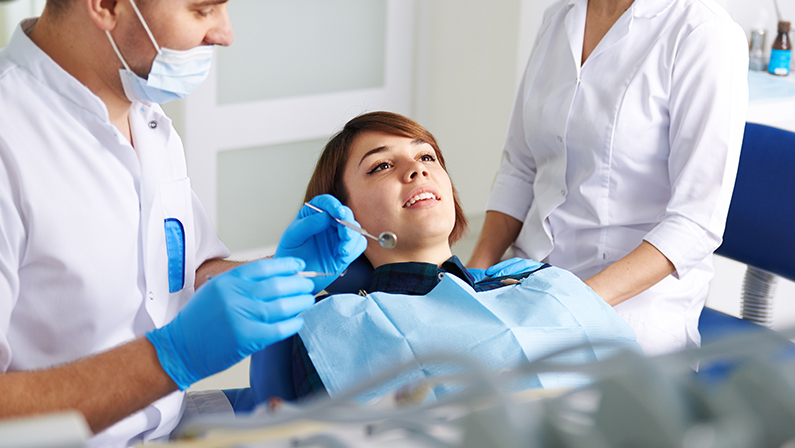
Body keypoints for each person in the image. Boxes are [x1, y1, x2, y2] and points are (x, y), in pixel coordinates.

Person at [0, 0, 365, 446]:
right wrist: (170, 358)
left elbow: (182, 274)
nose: (225, 33)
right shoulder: (10, 140)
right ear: (106, 6)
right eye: (202, 9)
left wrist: (288, 270)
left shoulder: (147, 121)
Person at [266, 111, 639, 402]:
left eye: (426, 155)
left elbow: (642, 386)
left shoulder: (539, 280)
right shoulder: (335, 326)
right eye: (381, 165)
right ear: (342, 215)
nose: (417, 169)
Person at [467, 0, 749, 357]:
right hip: (531, 276)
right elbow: (521, 167)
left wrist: (569, 305)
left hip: (632, 297)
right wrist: (473, 275)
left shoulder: (702, 33)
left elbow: (695, 223)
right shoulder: (559, 18)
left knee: (536, 401)